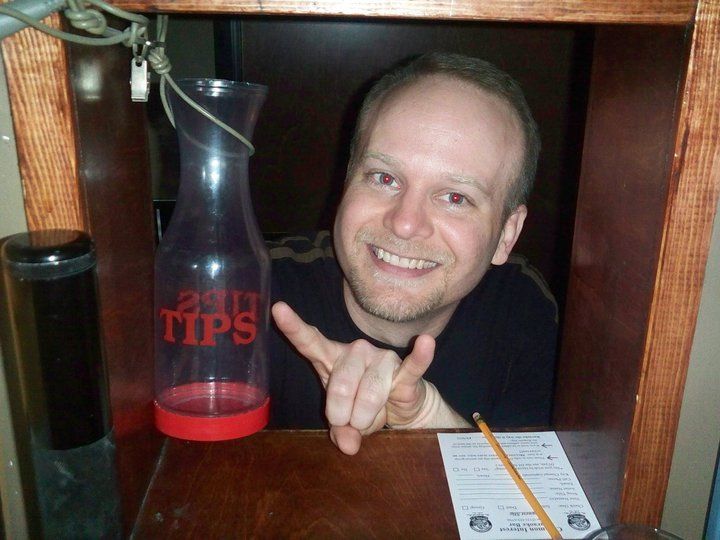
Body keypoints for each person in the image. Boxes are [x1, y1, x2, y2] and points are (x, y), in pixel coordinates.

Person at [267, 52, 557, 455]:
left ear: (506, 235)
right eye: (384, 178)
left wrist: (429, 418)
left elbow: (531, 494)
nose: (405, 223)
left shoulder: (524, 311)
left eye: (455, 197)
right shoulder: (248, 290)